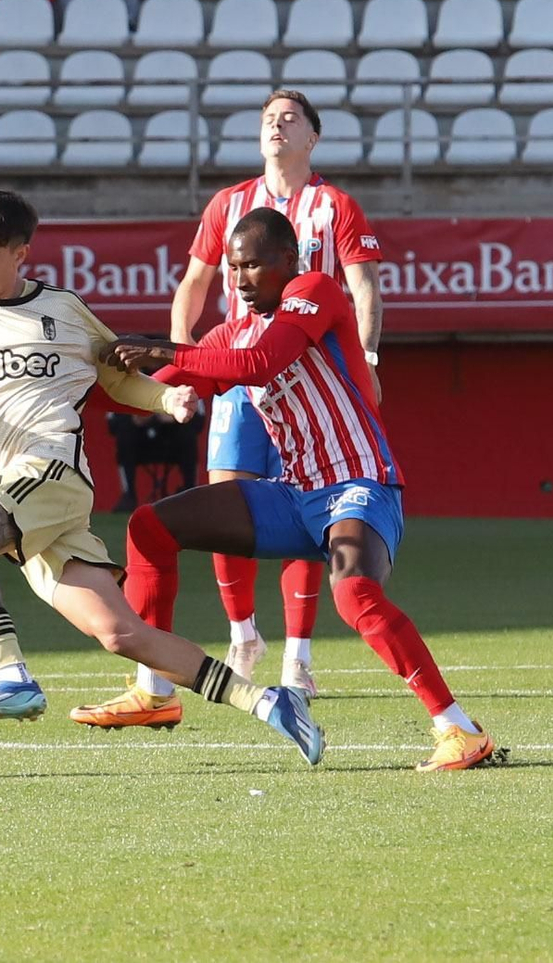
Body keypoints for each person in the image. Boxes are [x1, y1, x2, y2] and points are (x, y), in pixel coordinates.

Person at [0, 184, 324, 766]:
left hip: (50, 469)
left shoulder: (64, 312)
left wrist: (167, 399)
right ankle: (269, 702)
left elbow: (116, 375)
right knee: (122, 634)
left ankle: (11, 674)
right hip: (24, 500)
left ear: (22, 254)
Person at [76, 207, 496, 773]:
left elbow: (261, 362)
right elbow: (145, 390)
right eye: (232, 269)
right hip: (291, 497)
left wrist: (167, 348)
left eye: (252, 265)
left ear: (287, 261)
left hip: (358, 483)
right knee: (150, 527)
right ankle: (154, 693)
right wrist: (65, 383)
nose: (241, 280)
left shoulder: (316, 290)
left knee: (354, 596)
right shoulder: (232, 332)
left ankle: (458, 728)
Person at [72, 88, 384, 727]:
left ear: (313, 138)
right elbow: (192, 284)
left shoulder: (335, 207)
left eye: (291, 117)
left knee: (309, 497)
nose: (277, 123)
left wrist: (368, 358)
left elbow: (362, 288)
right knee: (228, 495)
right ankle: (243, 633)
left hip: (306, 378)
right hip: (240, 372)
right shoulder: (227, 204)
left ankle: (297, 653)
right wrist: (179, 370)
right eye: (268, 116)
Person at [107, 408, 200, 511]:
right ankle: (128, 495)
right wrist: (136, 417)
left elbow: (200, 421)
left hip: (172, 439)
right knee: (125, 434)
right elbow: (112, 423)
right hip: (139, 441)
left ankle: (191, 492)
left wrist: (176, 417)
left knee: (188, 433)